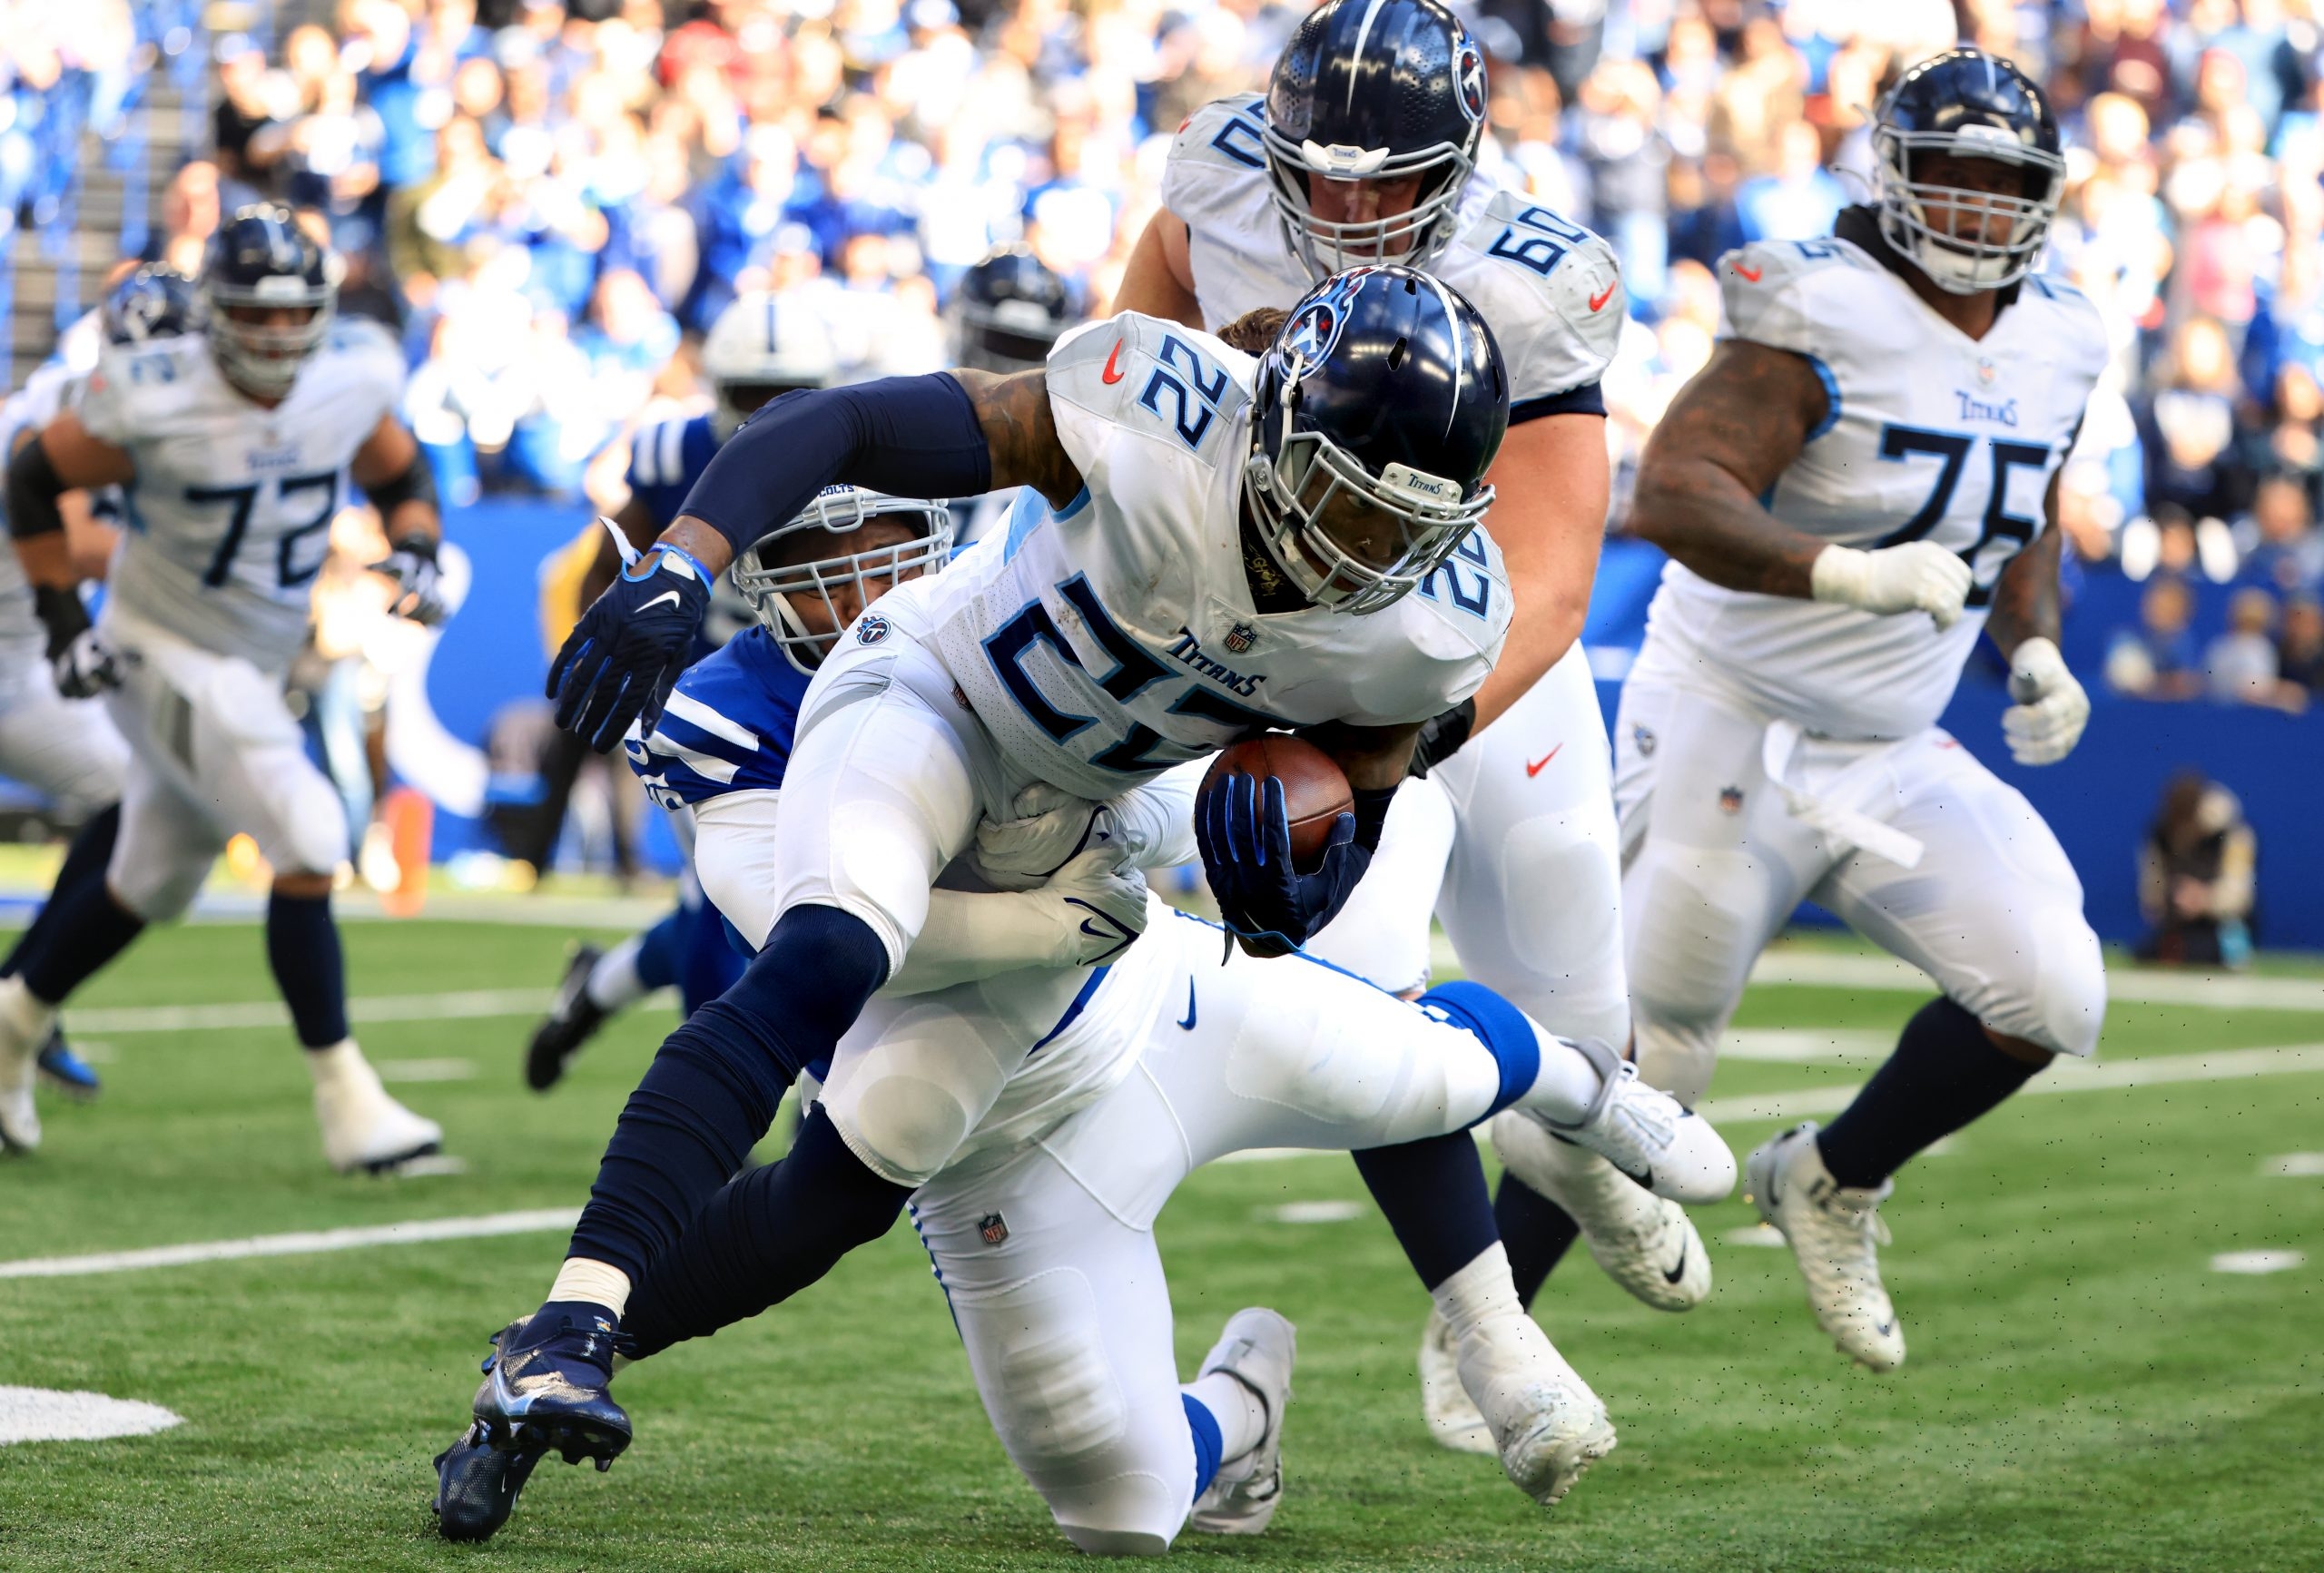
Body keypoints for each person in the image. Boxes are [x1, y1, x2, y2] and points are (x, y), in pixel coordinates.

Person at [431, 485, 1737, 1547]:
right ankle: (1238, 1412)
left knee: (1430, 1070)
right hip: (993, 1119)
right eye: (815, 562)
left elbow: (1175, 777)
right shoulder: (735, 716)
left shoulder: (1017, 615)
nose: (850, 591)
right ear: (761, 582)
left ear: (933, 540)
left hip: (1165, 999)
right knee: (1123, 1506)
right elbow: (820, 940)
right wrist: (1050, 918)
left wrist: (1167, 826)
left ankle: (1590, 1091)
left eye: (876, 546)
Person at [468, 265, 1542, 1483]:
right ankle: (570, 1324)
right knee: (829, 950)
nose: (1362, 556)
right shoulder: (1157, 416)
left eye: (1400, 531)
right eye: (1345, 507)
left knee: (1106, 1474)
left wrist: (1293, 871)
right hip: (939, 702)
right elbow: (848, 423)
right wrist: (683, 564)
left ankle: (1573, 1100)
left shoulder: (1427, 625)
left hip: (1090, 812)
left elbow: (1346, 836)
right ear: (1278, 428)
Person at [1107, 0, 1698, 1451]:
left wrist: (1401, 750)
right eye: (1328, 173)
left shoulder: (1535, 273)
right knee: (1366, 986)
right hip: (1305, 659)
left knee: (1579, 1027)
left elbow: (1553, 583)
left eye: (1392, 178)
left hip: (1485, 660)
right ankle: (1491, 1330)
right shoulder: (1222, 182)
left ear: (1462, 161)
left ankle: (1577, 1152)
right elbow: (1120, 374)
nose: (1354, 206)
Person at [1616, 50, 2110, 1372]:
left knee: (2053, 987)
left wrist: (2039, 645)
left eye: (2000, 179)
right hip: (1732, 706)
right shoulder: (1817, 300)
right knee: (1651, 1063)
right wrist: (1837, 568)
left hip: (1887, 744)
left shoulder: (2065, 332)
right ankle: (1485, 1324)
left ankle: (1829, 1180)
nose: (1971, 203)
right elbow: (1668, 491)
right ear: (1888, 173)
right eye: (1943, 167)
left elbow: (2023, 515)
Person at [0, 206, 451, 1172]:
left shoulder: (347, 378)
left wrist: (415, 541)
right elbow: (31, 480)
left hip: (249, 655)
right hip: (157, 641)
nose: (280, 336)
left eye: (297, 317)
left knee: (153, 875)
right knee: (311, 830)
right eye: (257, 314)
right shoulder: (155, 393)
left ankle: (10, 1022)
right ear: (214, 314)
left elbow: (402, 468)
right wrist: (65, 623)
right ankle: (347, 1098)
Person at [523, 289, 846, 1092]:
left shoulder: (864, 457)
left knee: (747, 902)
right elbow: (612, 565)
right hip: (706, 712)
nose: (772, 418)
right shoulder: (672, 454)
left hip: (823, 704)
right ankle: (729, 1112)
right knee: (732, 908)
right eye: (752, 399)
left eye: (792, 398)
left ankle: (595, 989)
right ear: (716, 392)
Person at [0, 265, 194, 1116]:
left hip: (19, 671)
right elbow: (80, 544)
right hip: (18, 663)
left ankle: (23, 995)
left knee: (138, 792)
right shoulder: (60, 410)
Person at [2136, 772, 2258, 968]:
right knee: (2148, 952)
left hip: (2223, 926)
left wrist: (2204, 900)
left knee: (2204, 951)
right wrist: (2168, 899)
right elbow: (2151, 891)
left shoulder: (2234, 835)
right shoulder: (2160, 834)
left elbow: (2241, 894)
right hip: (2180, 925)